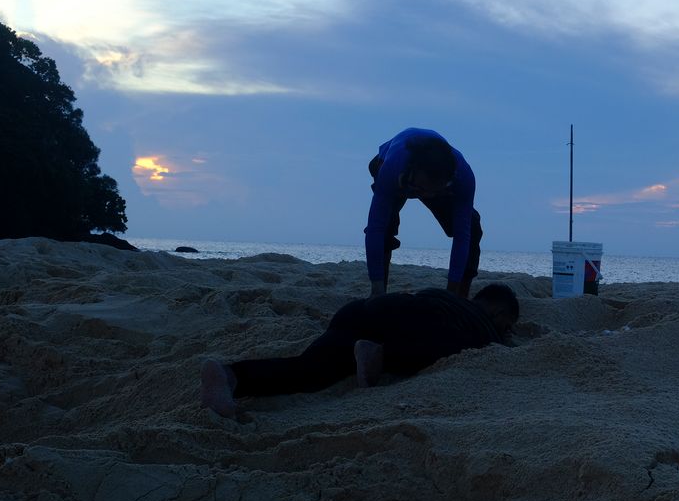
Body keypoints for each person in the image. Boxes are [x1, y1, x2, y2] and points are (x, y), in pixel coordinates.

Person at [200, 284, 519, 417]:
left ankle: (231, 375)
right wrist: (497, 336)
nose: (505, 332)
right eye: (506, 325)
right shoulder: (480, 322)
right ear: (498, 313)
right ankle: (381, 355)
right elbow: (444, 336)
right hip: (403, 327)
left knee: (308, 371)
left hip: (359, 312)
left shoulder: (441, 294)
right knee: (460, 346)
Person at [365, 127, 482, 299]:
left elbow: (462, 237)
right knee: (385, 228)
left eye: (430, 192)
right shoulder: (391, 169)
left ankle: (460, 296)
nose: (424, 196)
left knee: (472, 227)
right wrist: (376, 287)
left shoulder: (464, 179)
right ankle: (379, 293)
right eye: (420, 190)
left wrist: (451, 295)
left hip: (436, 181)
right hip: (394, 166)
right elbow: (375, 228)